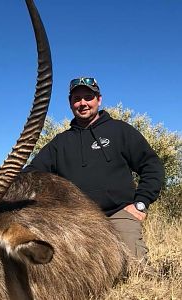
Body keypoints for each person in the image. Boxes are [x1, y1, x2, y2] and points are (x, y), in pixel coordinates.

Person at [23, 76, 165, 263]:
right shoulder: (59, 143)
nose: (82, 103)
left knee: (134, 266)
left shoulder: (120, 130)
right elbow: (32, 174)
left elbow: (152, 166)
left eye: (88, 97)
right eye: (77, 99)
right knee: (60, 271)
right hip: (76, 220)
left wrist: (141, 203)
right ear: (70, 103)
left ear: (99, 99)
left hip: (118, 213)